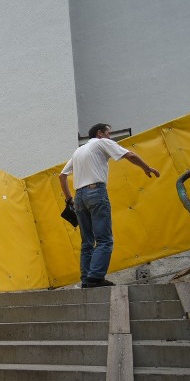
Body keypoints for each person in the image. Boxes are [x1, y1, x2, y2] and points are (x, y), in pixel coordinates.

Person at [58, 123, 160, 288]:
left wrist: (69, 199)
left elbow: (62, 177)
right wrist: (146, 168)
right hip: (96, 192)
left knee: (87, 242)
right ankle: (95, 278)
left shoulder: (78, 151)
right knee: (104, 239)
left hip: (79, 197)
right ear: (100, 133)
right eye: (109, 133)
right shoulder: (102, 142)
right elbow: (130, 155)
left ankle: (86, 279)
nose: (110, 137)